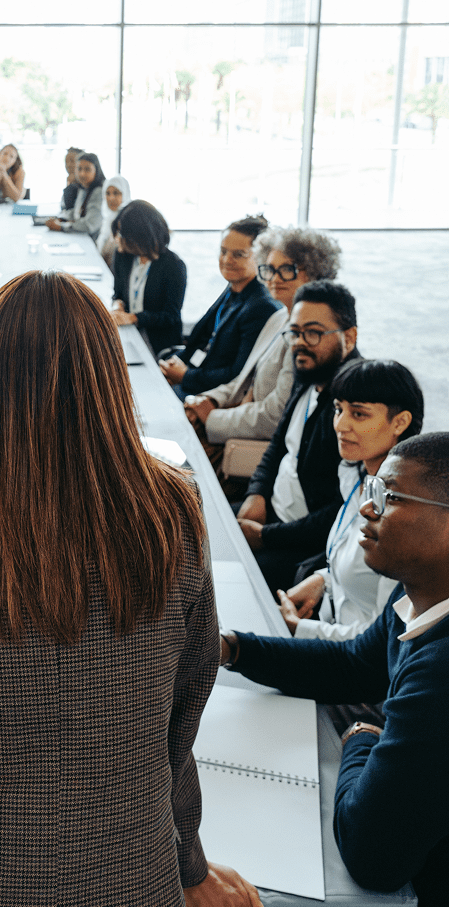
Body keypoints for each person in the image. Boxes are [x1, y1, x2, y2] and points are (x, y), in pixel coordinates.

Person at [0, 271, 261, 907]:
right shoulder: (173, 507)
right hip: (132, 872)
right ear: (110, 377)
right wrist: (188, 863)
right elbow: (182, 715)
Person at [219, 432, 449, 907]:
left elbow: (374, 855)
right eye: (371, 492)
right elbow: (352, 666)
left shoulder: (441, 672)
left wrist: (362, 739)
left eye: (390, 497)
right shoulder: (414, 596)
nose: (368, 509)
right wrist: (233, 649)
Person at [279, 358, 424, 641]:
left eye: (358, 414)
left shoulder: (400, 516)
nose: (340, 425)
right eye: (338, 409)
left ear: (400, 422)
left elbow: (381, 640)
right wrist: (324, 580)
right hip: (327, 633)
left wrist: (300, 630)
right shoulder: (357, 480)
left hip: (349, 664)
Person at [235, 280, 361, 595]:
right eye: (295, 332)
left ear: (349, 337)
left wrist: (266, 536)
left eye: (314, 333)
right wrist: (257, 493)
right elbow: (278, 446)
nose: (299, 343)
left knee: (228, 581)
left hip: (301, 543)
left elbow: (341, 510)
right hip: (272, 514)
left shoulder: (354, 407)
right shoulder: (308, 376)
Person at [185, 226, 342, 468]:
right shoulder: (279, 317)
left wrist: (213, 417)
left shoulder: (308, 337)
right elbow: (243, 380)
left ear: (313, 272)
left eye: (287, 270)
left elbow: (274, 415)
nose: (275, 279)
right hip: (236, 425)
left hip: (255, 451)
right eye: (270, 269)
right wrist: (208, 400)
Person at [159, 215, 280, 398]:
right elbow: (203, 338)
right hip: (196, 374)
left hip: (212, 394)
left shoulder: (262, 307)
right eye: (223, 251)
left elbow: (237, 375)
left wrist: (185, 376)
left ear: (261, 258)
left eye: (238, 254)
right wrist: (175, 364)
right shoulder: (234, 286)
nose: (226, 260)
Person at [110, 200, 186, 354]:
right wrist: (117, 305)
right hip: (128, 334)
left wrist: (134, 318)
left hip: (158, 343)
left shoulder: (174, 265)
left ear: (141, 235)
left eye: (123, 234)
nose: (118, 239)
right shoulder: (123, 255)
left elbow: (171, 316)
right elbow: (118, 293)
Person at [46, 151, 105, 237]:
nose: (82, 174)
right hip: (83, 237)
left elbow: (89, 225)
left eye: (87, 169)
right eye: (79, 169)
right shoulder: (83, 188)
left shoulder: (99, 192)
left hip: (94, 242)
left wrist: (61, 227)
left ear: (96, 170)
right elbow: (76, 212)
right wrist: (60, 218)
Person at [97, 173, 131, 264]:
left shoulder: (127, 222)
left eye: (116, 193)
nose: (111, 198)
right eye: (107, 193)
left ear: (125, 193)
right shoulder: (108, 219)